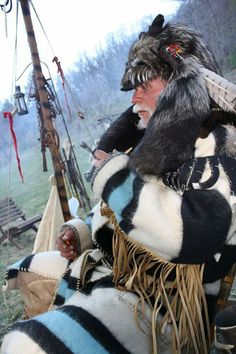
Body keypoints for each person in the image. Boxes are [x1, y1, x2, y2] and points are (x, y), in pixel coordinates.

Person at [2, 14, 236, 354]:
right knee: (27, 268)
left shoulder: (219, 146)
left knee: (25, 346)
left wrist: (110, 173)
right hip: (116, 269)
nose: (133, 99)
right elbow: (120, 208)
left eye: (145, 86)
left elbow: (186, 235)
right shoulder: (154, 139)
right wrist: (81, 231)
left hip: (159, 302)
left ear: (178, 86)